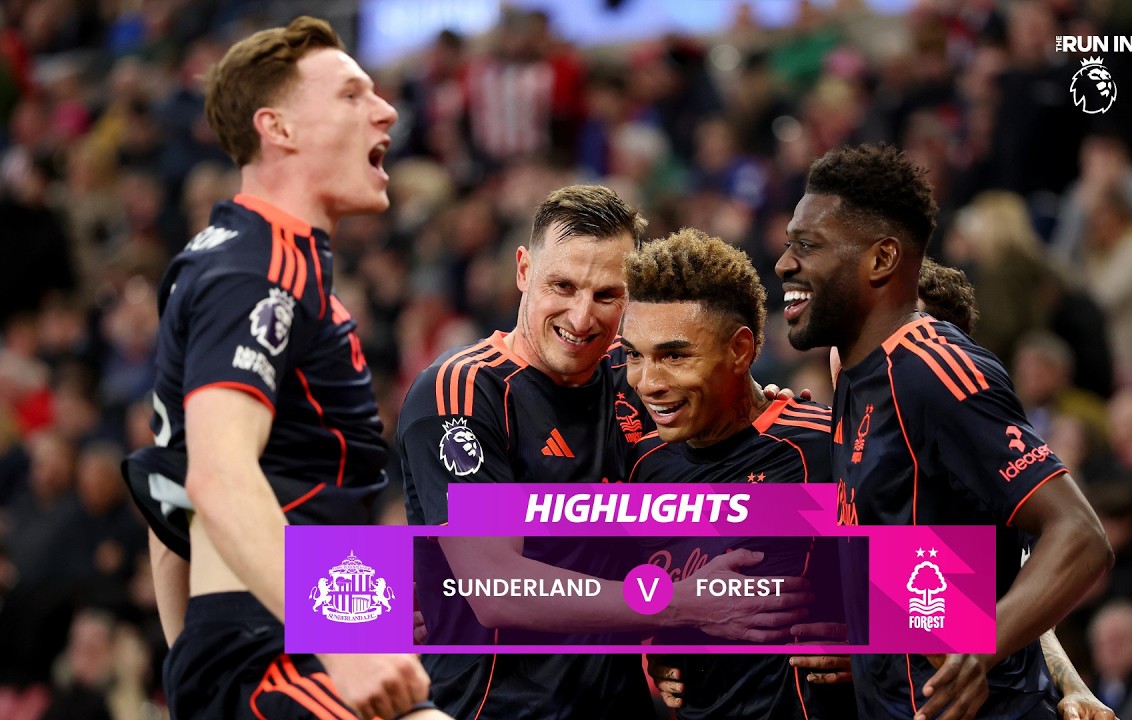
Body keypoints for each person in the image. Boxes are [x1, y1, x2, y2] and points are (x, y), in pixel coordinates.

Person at [119, 17, 446, 720]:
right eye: (351, 95)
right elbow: (216, 477)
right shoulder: (258, 269)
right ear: (278, 128)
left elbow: (169, 493)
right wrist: (342, 645)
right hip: (276, 651)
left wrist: (193, 672)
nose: (385, 110)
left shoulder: (247, 258)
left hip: (276, 638)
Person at [399, 185, 809, 719]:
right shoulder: (463, 390)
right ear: (523, 270)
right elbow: (494, 587)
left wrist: (854, 631)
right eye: (562, 286)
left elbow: (734, 429)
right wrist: (676, 606)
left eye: (607, 295)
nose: (581, 317)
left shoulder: (634, 375)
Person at [775, 143, 1114, 719]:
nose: (785, 263)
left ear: (882, 259)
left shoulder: (931, 371)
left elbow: (1080, 536)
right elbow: (946, 573)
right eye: (790, 243)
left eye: (808, 245)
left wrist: (982, 647)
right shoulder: (857, 377)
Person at [620, 228, 854, 719]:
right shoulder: (642, 465)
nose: (648, 382)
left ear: (740, 350)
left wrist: (882, 648)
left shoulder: (821, 448)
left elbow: (952, 586)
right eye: (635, 355)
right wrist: (659, 646)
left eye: (674, 356)